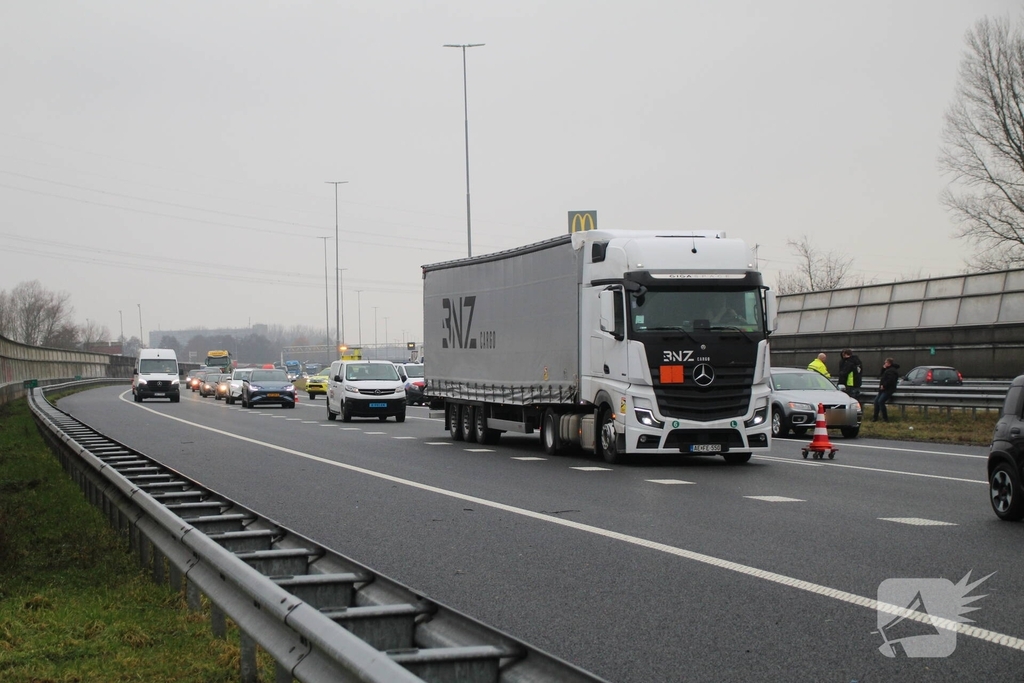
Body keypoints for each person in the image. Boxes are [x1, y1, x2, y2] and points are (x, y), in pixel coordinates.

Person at [873, 357, 901, 422]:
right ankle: (875, 417)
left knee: (880, 401)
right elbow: (882, 375)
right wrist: (883, 369)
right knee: (876, 401)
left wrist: (884, 385)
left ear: (888, 363)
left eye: (885, 362)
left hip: (888, 389)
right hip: (883, 389)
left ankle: (885, 418)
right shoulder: (887, 370)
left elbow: (890, 380)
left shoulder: (892, 371)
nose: (884, 363)